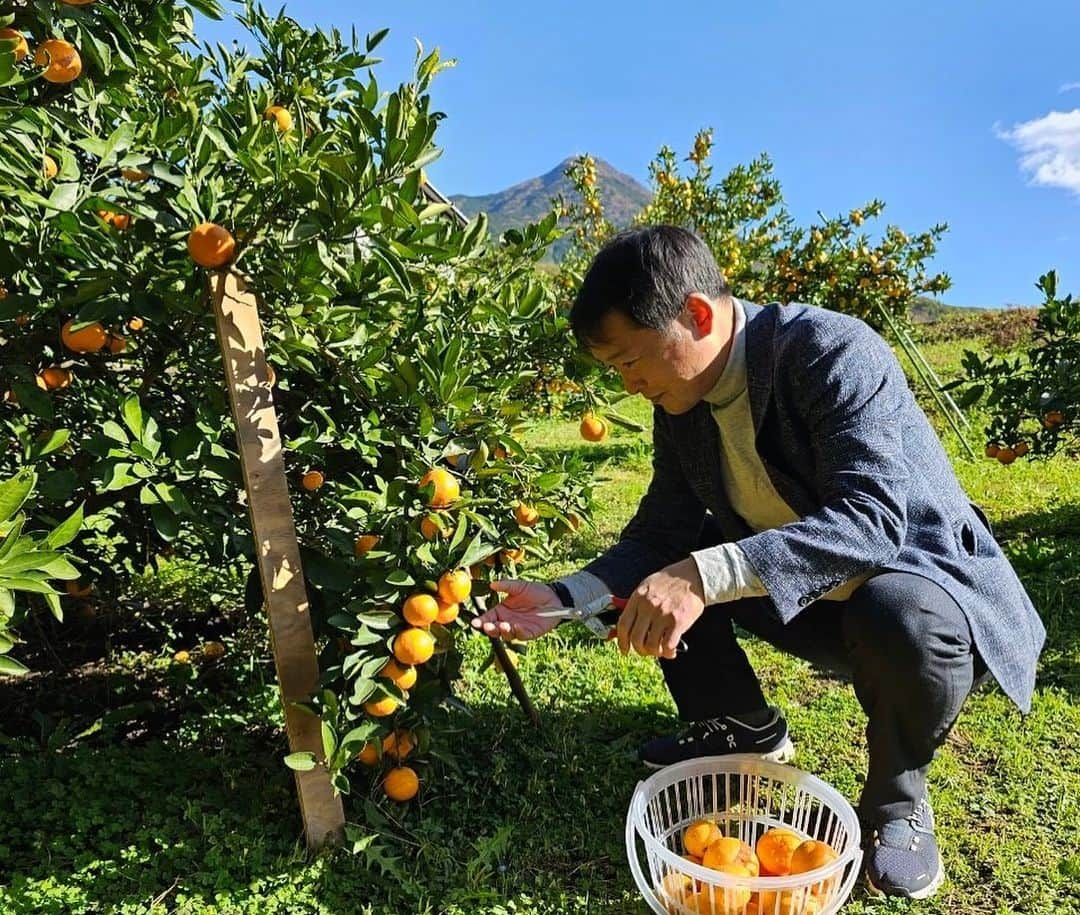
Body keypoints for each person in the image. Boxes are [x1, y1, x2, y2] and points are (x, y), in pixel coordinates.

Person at [470, 225, 1045, 900]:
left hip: (924, 590)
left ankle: (896, 799)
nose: (630, 383)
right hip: (809, 596)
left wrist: (703, 575)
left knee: (895, 613)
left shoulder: (829, 350)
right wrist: (566, 596)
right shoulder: (682, 401)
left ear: (698, 315)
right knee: (670, 571)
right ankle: (741, 726)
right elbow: (662, 530)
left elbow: (875, 518)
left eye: (630, 360)